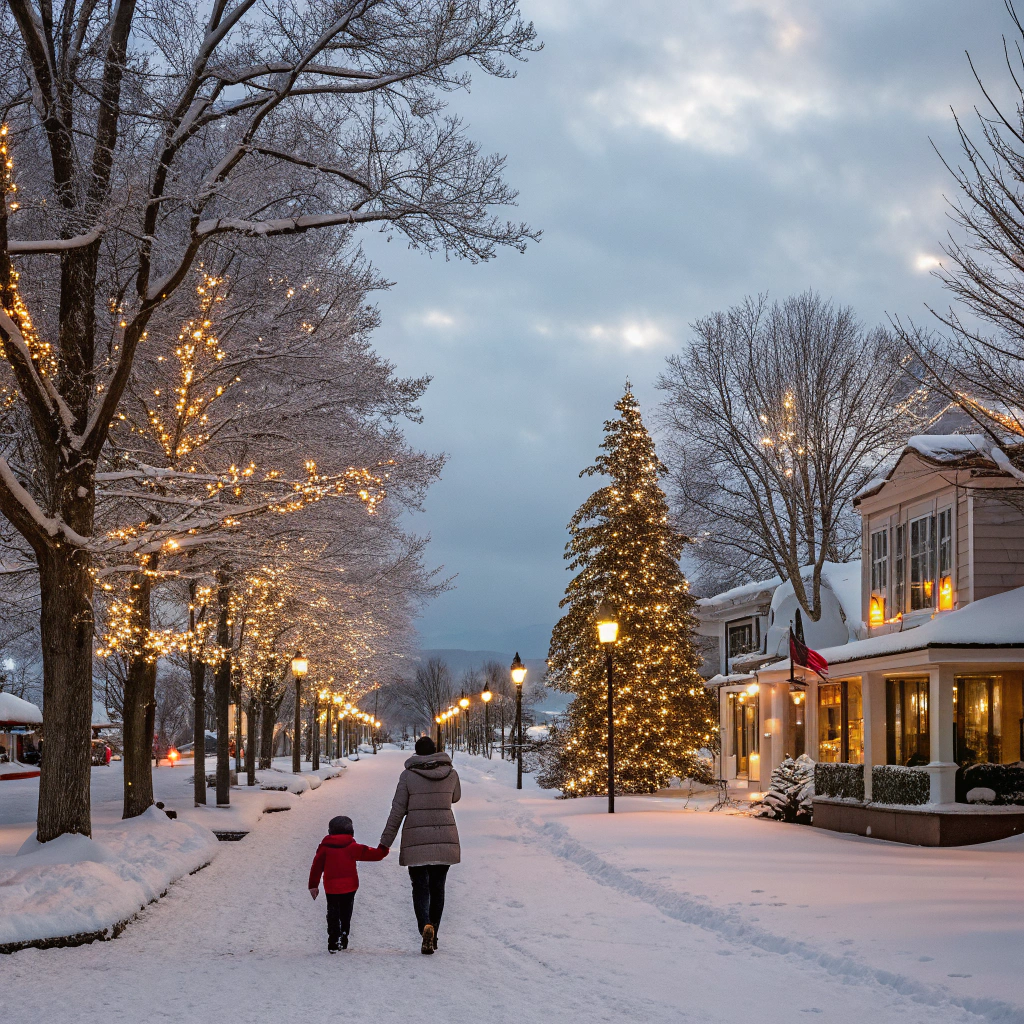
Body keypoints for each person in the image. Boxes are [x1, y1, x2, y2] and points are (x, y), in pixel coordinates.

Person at [380, 736, 461, 955]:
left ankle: (424, 926)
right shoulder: (451, 773)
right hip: (445, 836)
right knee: (438, 887)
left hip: (416, 840)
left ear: (416, 754)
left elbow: (398, 810)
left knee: (420, 887)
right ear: (436, 751)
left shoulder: (408, 775)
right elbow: (455, 797)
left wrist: (385, 842)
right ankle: (434, 931)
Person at [308, 815, 389, 952]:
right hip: (350, 887)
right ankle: (344, 936)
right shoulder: (352, 847)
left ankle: (333, 939)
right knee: (346, 912)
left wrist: (313, 885)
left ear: (330, 831)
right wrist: (384, 848)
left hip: (332, 888)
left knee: (333, 912)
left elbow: (316, 866)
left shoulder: (325, 848)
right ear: (350, 831)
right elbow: (374, 854)